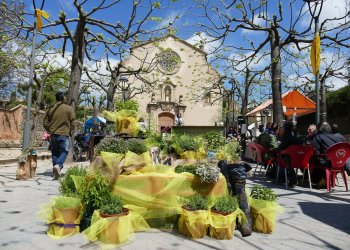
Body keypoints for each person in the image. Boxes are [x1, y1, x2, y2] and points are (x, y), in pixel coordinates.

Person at [44, 91, 75, 179]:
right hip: (64, 134)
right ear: (63, 98)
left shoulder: (51, 108)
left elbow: (45, 122)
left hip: (53, 134)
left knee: (55, 152)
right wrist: (70, 132)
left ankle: (56, 173)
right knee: (64, 151)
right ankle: (58, 165)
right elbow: (73, 123)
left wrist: (49, 130)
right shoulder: (69, 109)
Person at [310, 122, 346, 186]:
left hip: (327, 162)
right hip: (341, 162)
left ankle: (320, 179)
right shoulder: (338, 137)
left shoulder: (318, 137)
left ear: (319, 128)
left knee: (313, 159)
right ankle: (329, 179)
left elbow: (316, 151)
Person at [277, 121, 303, 186]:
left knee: (279, 157)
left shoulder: (286, 136)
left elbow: (281, 148)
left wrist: (277, 148)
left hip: (289, 159)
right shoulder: (295, 135)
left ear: (285, 128)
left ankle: (280, 178)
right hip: (300, 158)